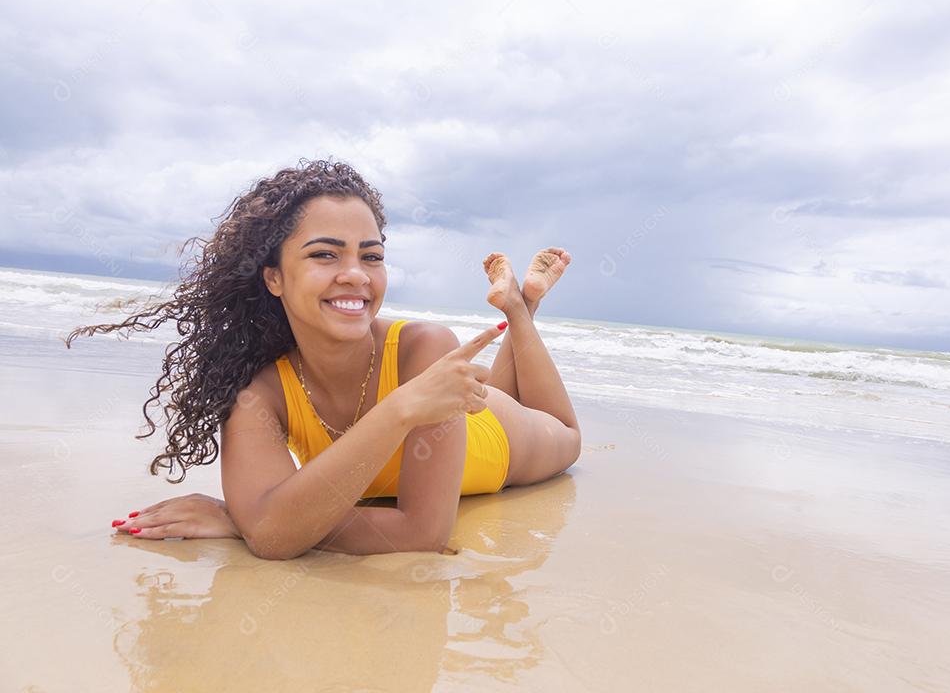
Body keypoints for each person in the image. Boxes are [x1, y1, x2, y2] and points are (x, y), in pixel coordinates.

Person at [69, 159, 581, 559]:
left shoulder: (427, 348)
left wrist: (250, 519)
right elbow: (271, 533)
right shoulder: (261, 392)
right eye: (324, 254)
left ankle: (518, 305)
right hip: (442, 400)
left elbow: (420, 533)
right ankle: (522, 303)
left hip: (496, 438)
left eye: (372, 255)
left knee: (565, 435)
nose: (356, 274)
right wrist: (262, 522)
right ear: (273, 277)